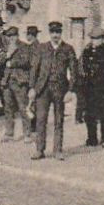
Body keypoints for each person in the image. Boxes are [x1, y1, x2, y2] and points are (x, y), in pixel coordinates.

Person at [28, 21, 77, 160]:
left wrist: (70, 91)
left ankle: (58, 150)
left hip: (60, 89)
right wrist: (32, 88)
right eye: (53, 32)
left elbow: (74, 72)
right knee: (41, 119)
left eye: (58, 32)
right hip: (42, 89)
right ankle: (39, 149)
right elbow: (34, 69)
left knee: (59, 120)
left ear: (61, 33)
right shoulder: (42, 48)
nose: (55, 35)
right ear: (50, 33)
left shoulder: (68, 49)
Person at [0, 25, 34, 141]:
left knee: (23, 107)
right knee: (8, 108)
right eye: (9, 36)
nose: (11, 38)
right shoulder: (5, 48)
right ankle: (9, 133)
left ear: (17, 36)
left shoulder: (24, 46)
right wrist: (7, 55)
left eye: (13, 36)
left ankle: (27, 133)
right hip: (7, 81)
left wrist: (12, 63)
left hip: (20, 81)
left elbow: (26, 61)